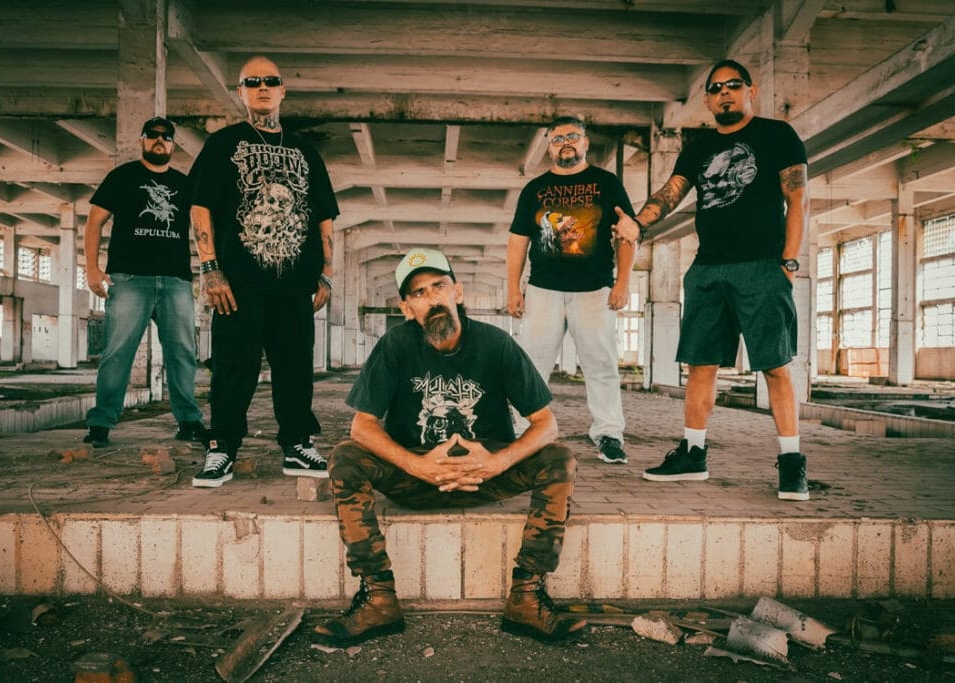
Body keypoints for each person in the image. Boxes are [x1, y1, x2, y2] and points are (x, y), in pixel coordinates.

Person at [314, 247, 585, 646]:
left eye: (438, 286)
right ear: (407, 309)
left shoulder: (496, 344)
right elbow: (362, 427)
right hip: (415, 478)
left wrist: (497, 463)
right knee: (345, 458)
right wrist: (416, 466)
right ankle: (378, 599)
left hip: (486, 477)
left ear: (458, 292)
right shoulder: (395, 345)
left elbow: (547, 424)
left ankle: (526, 598)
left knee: (559, 458)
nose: (432, 298)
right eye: (419, 293)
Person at [613, 59, 811, 501]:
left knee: (775, 366)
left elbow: (797, 199)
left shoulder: (777, 135)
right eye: (716, 88)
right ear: (706, 100)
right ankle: (693, 454)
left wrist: (788, 262)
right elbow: (671, 192)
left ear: (750, 91)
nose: (725, 93)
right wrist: (638, 224)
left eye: (733, 85)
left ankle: (791, 463)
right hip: (707, 269)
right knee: (700, 365)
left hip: (762, 266)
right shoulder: (699, 147)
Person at [188, 56, 338, 488]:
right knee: (234, 367)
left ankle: (297, 442)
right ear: (241, 92)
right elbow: (200, 206)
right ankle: (222, 446)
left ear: (283, 89)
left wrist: (327, 272)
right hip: (239, 284)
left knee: (295, 367)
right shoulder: (223, 144)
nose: (262, 87)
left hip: (294, 284)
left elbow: (324, 217)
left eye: (270, 80)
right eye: (251, 82)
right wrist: (210, 268)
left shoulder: (306, 152)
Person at [507, 116, 637, 465]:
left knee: (601, 364)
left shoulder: (606, 183)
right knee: (532, 364)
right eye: (557, 138)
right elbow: (518, 241)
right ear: (549, 147)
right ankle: (523, 430)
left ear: (585, 142)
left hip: (594, 289)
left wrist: (623, 282)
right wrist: (513, 289)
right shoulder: (534, 189)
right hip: (543, 290)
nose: (565, 142)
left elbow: (626, 234)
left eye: (573, 136)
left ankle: (609, 434)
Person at [83, 116, 207, 449]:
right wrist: (92, 268)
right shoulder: (122, 177)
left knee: (183, 354)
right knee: (117, 353)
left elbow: (203, 227)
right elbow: (94, 222)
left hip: (176, 280)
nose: (159, 141)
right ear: (142, 140)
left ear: (173, 145)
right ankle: (101, 423)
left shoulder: (184, 184)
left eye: (166, 137)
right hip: (129, 278)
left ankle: (189, 421)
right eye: (153, 135)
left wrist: (212, 271)